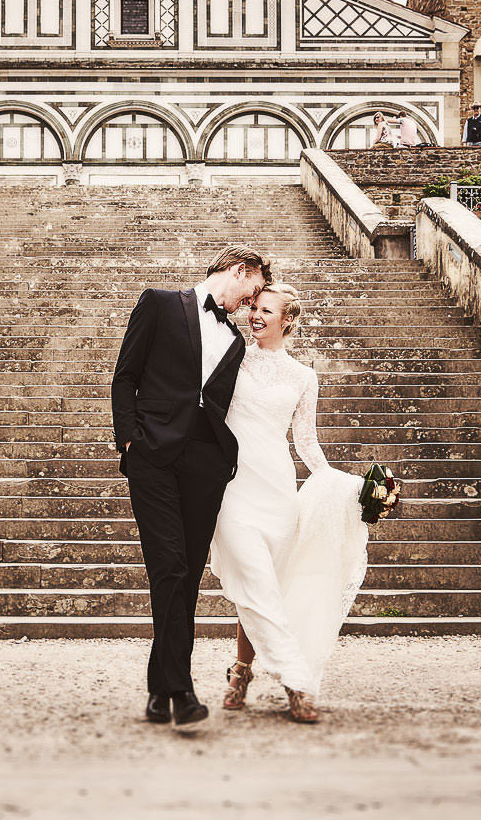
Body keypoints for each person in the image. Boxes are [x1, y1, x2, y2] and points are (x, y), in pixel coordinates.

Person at [111, 246, 273, 729]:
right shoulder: (160, 303)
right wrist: (128, 443)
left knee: (185, 579)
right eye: (255, 288)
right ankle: (182, 691)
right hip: (153, 460)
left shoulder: (235, 341)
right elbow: (126, 376)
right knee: (170, 568)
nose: (254, 300)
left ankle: (159, 688)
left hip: (204, 467)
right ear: (239, 271)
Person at [211, 284, 369, 725]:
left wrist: (349, 485)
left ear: (288, 320)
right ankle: (297, 683)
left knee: (264, 585)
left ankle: (241, 671)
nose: (255, 316)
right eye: (254, 308)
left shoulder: (303, 376)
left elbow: (306, 443)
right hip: (233, 486)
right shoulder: (231, 358)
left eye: (266, 310)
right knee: (255, 577)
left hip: (278, 489)